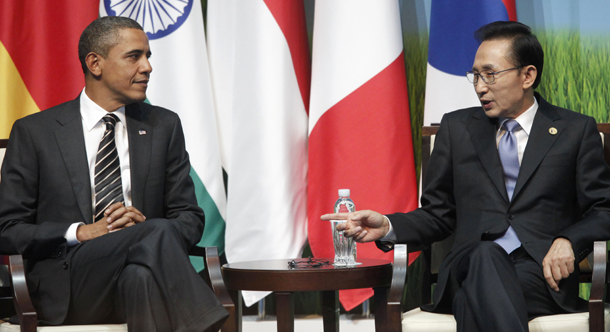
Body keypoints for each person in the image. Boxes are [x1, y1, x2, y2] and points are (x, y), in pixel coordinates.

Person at [322, 21, 610, 332]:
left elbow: (603, 209)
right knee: (486, 257)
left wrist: (569, 240)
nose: (480, 86)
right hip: (468, 264)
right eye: (475, 75)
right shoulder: (457, 129)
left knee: (474, 299)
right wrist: (389, 225)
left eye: (491, 74)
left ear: (527, 75)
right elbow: (437, 215)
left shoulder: (574, 131)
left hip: (539, 274)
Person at [0, 16, 228, 331]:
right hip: (69, 285)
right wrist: (80, 232)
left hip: (138, 278)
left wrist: (145, 232)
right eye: (134, 56)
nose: (147, 67)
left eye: (148, 56)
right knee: (155, 237)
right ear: (95, 63)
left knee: (142, 272)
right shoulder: (35, 132)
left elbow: (189, 218)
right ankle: (211, 323)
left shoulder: (163, 126)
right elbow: (8, 230)